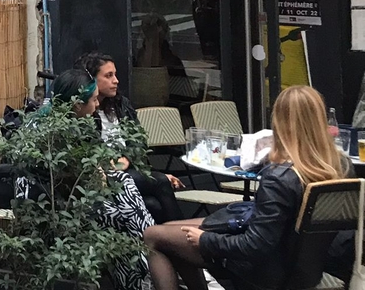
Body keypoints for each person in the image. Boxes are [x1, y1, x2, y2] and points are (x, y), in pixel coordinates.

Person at [144, 85, 350, 290]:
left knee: (153, 236)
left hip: (265, 271)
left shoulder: (279, 177)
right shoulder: (339, 168)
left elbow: (255, 245)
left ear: (280, 124)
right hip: (306, 269)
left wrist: (206, 240)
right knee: (172, 232)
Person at [27, 69, 155, 290]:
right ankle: (151, 260)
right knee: (126, 214)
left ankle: (149, 260)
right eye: (94, 100)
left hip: (73, 199)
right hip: (58, 207)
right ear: (77, 104)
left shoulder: (57, 121)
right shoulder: (58, 133)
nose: (97, 105)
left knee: (126, 185)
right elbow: (82, 183)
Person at [77, 52, 185, 223]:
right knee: (161, 182)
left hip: (130, 169)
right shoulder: (85, 111)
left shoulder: (122, 105)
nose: (116, 80)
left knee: (153, 205)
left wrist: (126, 158)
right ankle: (181, 237)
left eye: (115, 74)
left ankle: (165, 242)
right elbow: (88, 150)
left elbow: (139, 140)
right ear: (92, 80)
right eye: (108, 75)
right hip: (105, 175)